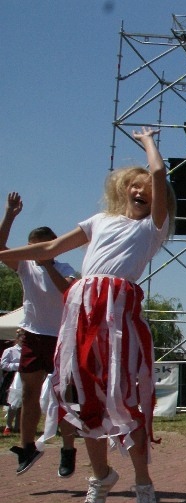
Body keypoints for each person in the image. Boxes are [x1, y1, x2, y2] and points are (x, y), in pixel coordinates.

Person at [0, 127, 171, 503]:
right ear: (124, 188)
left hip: (118, 315)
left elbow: (161, 175)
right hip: (82, 310)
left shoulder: (151, 229)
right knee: (81, 395)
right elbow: (48, 249)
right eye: (136, 184)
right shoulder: (99, 221)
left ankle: (144, 484)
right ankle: (100, 475)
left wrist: (148, 143)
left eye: (148, 186)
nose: (143, 189)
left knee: (124, 399)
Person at [1, 192, 78, 476]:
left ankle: (68, 448)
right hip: (33, 335)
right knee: (30, 392)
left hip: (60, 338)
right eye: (34, 249)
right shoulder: (24, 266)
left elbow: (68, 291)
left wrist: (47, 263)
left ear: (54, 248)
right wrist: (10, 215)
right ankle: (27, 445)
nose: (38, 253)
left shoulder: (65, 268)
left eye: (43, 248)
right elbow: (0, 248)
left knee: (63, 396)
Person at [0, 333, 22, 438]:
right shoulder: (10, 351)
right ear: (18, 339)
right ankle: (8, 425)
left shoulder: (28, 352)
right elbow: (3, 365)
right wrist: (17, 365)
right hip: (12, 377)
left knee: (22, 403)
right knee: (12, 403)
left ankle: (18, 426)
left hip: (24, 377)